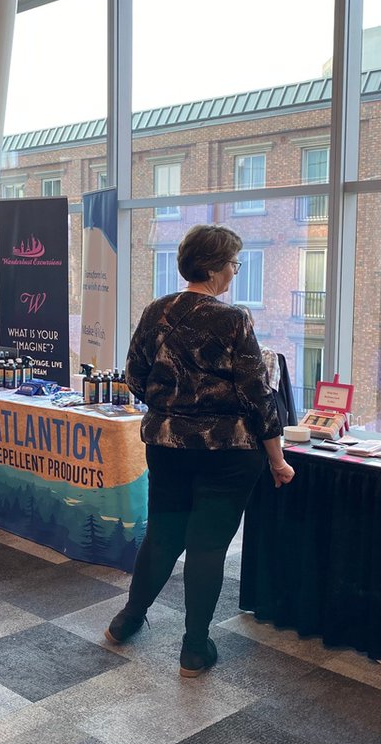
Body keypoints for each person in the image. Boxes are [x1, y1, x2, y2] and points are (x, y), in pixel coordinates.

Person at [107, 224, 294, 678]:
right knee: (207, 545)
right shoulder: (234, 320)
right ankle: (193, 649)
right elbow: (257, 397)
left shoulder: (157, 311)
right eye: (233, 263)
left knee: (164, 535)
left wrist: (173, 406)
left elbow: (133, 376)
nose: (235, 271)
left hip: (167, 446)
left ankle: (127, 620)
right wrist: (278, 459)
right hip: (227, 454)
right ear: (212, 268)